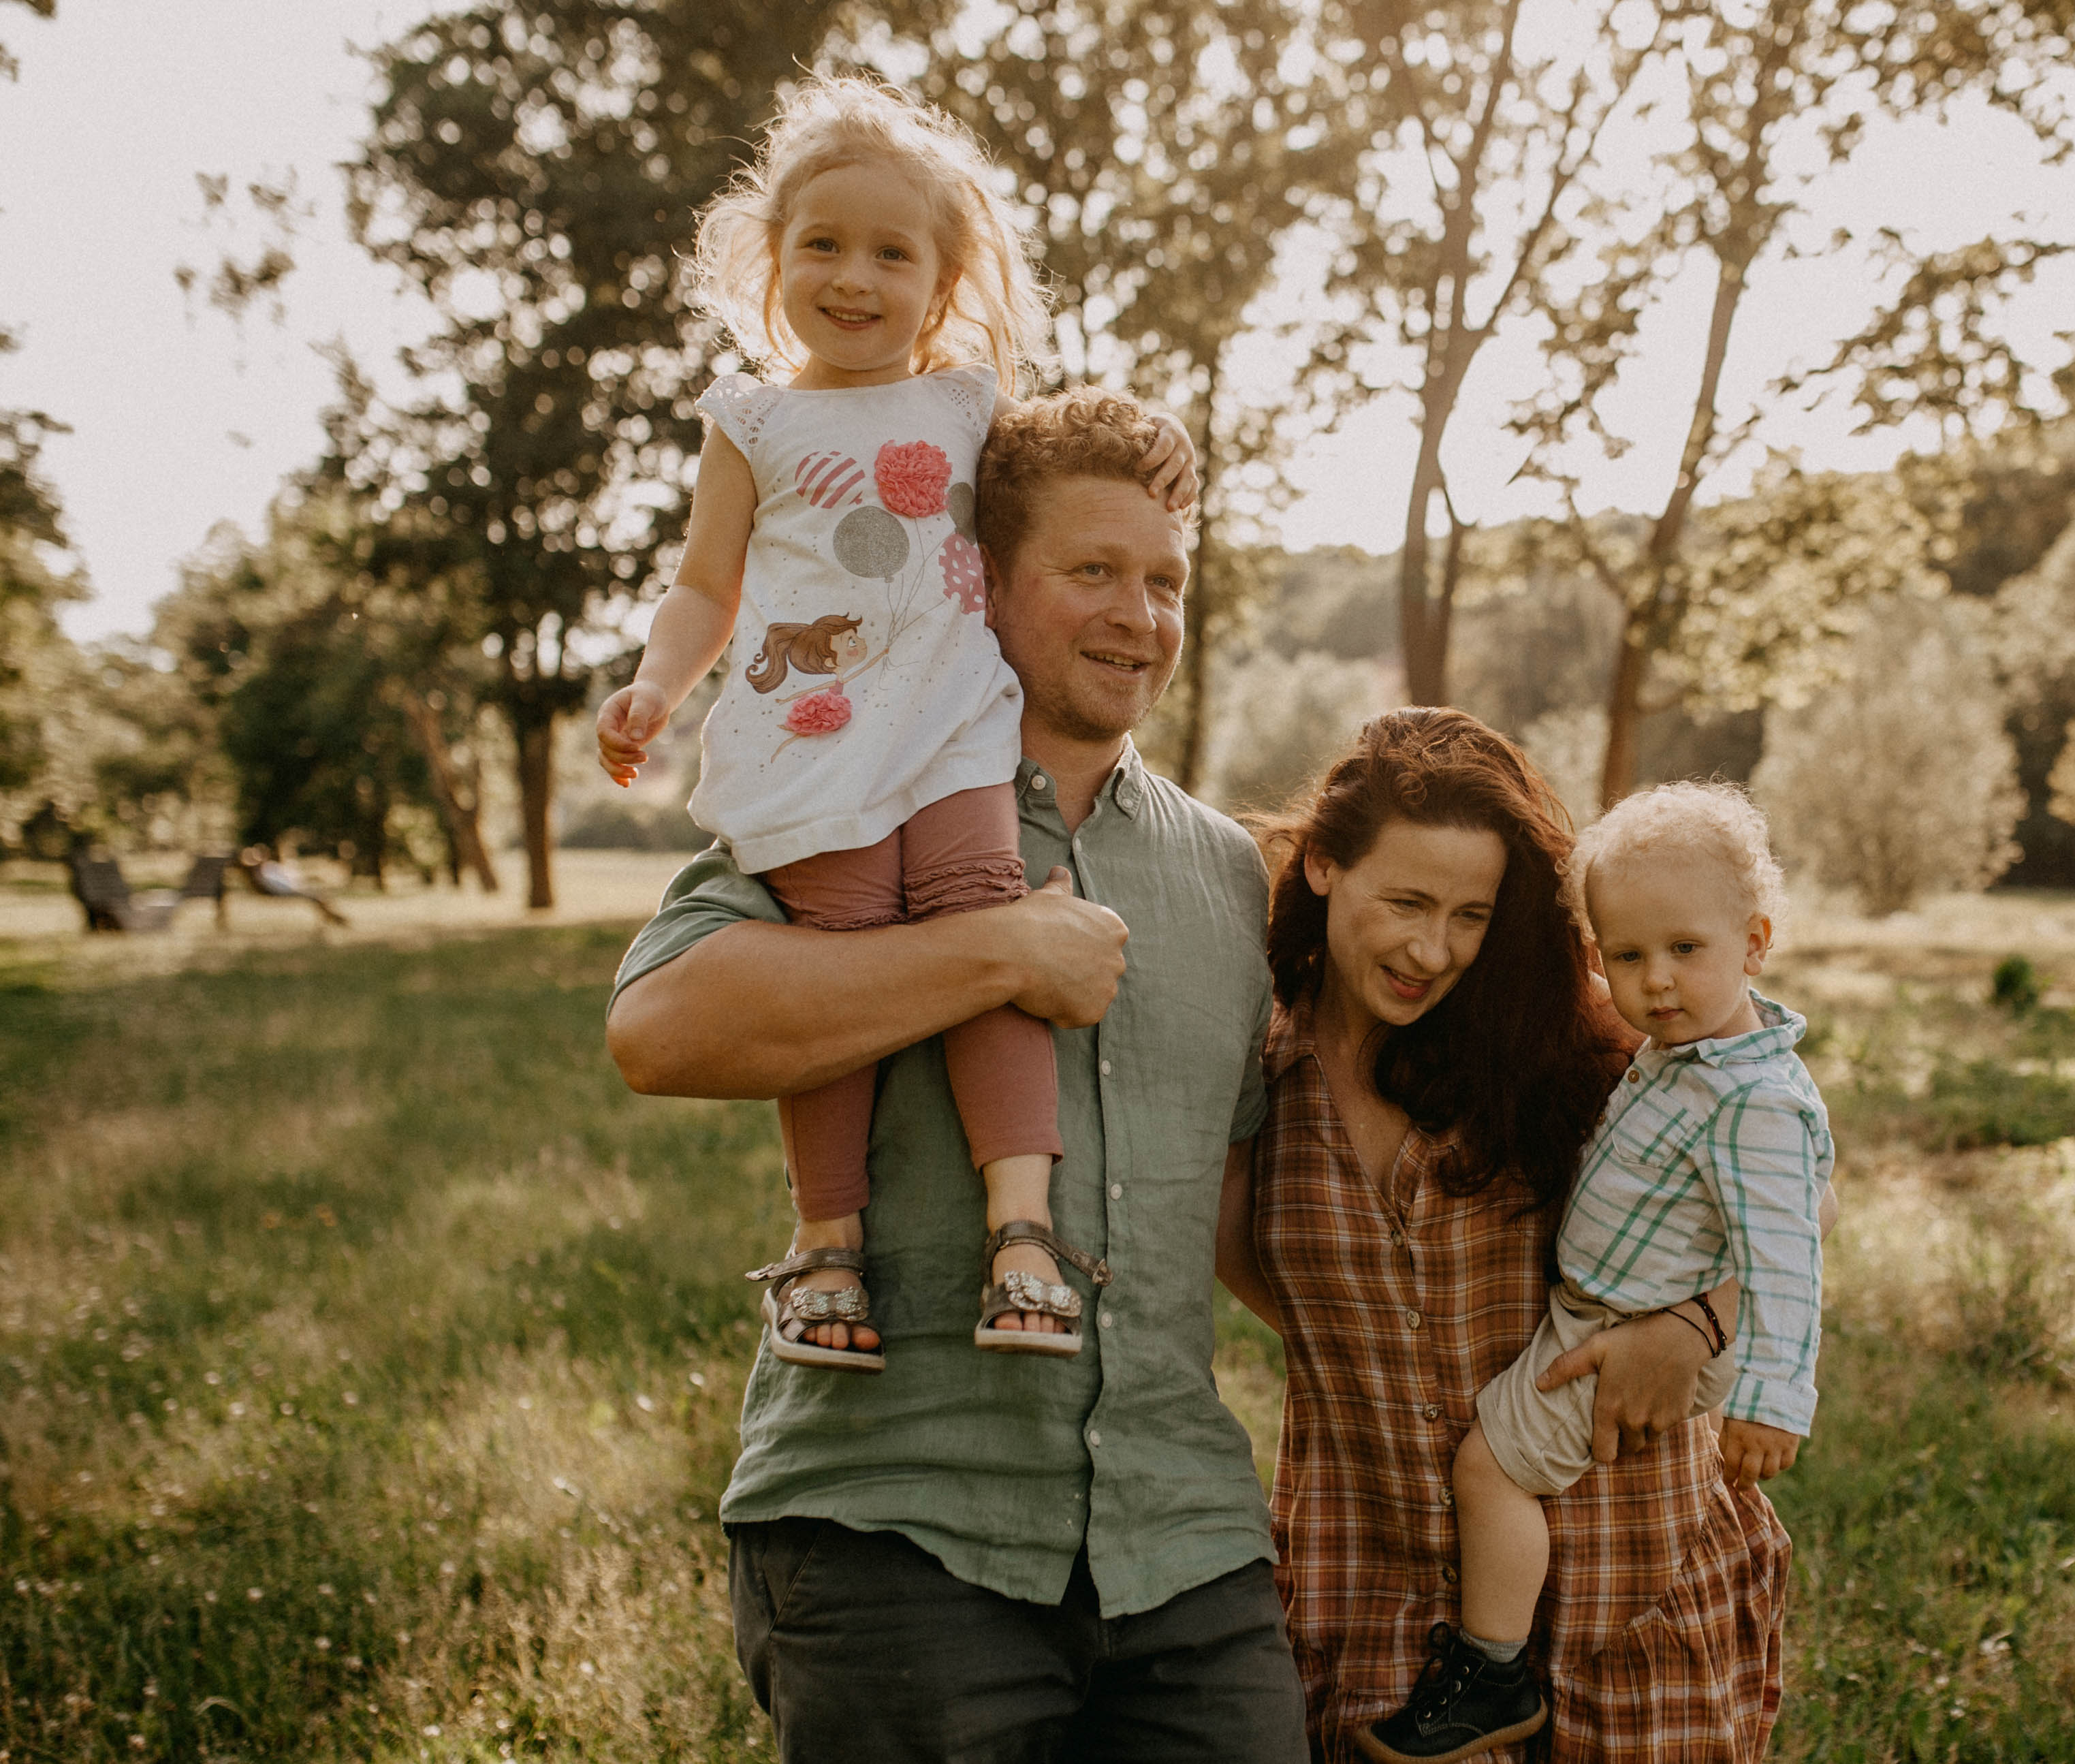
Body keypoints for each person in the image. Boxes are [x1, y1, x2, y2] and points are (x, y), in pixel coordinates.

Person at [603, 385, 1305, 1761]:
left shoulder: (1223, 870)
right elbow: (664, 1026)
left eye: (1164, 580)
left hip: (1184, 1547)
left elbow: (1226, 1203)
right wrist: (996, 950)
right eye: (1093, 571)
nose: (1139, 614)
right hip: (897, 1526)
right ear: (980, 578)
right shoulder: (843, 790)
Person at [593, 75, 1197, 1371]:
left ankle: (1021, 1233)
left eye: (891, 252)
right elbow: (709, 584)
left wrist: (1162, 447)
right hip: (814, 739)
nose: (853, 277)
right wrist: (657, 686)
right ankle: (826, 1244)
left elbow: (1083, 469)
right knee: (844, 961)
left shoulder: (966, 406)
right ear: (771, 258)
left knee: (992, 923)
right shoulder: (749, 421)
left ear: (943, 279)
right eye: (823, 245)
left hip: (952, 731)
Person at [1219, 712, 1794, 1764]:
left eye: (1469, 914)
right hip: (1374, 1597)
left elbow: (1796, 1189)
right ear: (1321, 864)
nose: (1430, 949)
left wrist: (1695, 1325)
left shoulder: (1575, 1038)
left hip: (1619, 1582)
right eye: (1405, 901)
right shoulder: (1256, 1059)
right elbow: (1247, 1265)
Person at [1356, 781, 1832, 1761]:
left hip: (1634, 1329)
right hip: (1607, 1306)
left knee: (1490, 1465)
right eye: (1627, 956)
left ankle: (1493, 1669)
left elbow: (1789, 1252)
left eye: (1685, 950)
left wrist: (1774, 1398)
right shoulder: (1686, 1055)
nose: (1656, 981)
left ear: (1756, 939)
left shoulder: (1751, 1100)